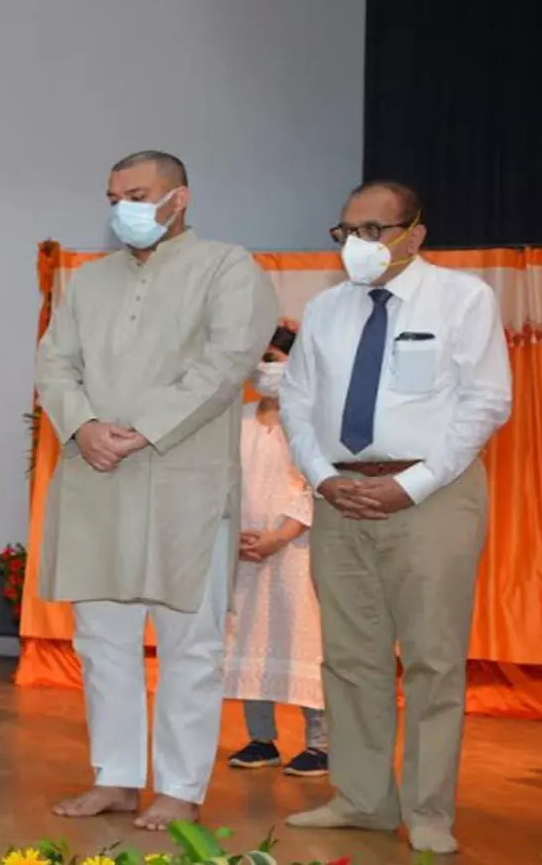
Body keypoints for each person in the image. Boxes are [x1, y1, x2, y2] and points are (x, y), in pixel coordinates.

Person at [34, 150, 278, 830]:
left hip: (183, 481)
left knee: (188, 644)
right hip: (98, 475)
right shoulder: (85, 280)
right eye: (113, 197)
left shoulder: (228, 267)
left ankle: (180, 786)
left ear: (180, 198)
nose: (123, 210)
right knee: (102, 640)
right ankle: (115, 776)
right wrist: (82, 426)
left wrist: (142, 428)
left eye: (137, 195)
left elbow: (226, 363)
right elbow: (53, 364)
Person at [280, 181, 511, 855]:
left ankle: (430, 810)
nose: (359, 245)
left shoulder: (463, 299)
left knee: (434, 659)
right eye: (346, 231)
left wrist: (411, 485)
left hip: (432, 497)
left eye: (374, 230)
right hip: (340, 495)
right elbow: (296, 402)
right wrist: (322, 478)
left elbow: (486, 403)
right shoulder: (324, 310)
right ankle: (361, 799)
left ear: (416, 233)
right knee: (351, 658)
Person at [223, 323, 328, 778]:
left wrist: (281, 536)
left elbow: (314, 483)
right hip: (243, 551)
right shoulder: (238, 419)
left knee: (305, 640)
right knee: (247, 638)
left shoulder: (310, 419)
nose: (265, 369)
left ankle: (320, 744)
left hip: (295, 551)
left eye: (275, 359)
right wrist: (235, 536)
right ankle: (261, 739)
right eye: (259, 359)